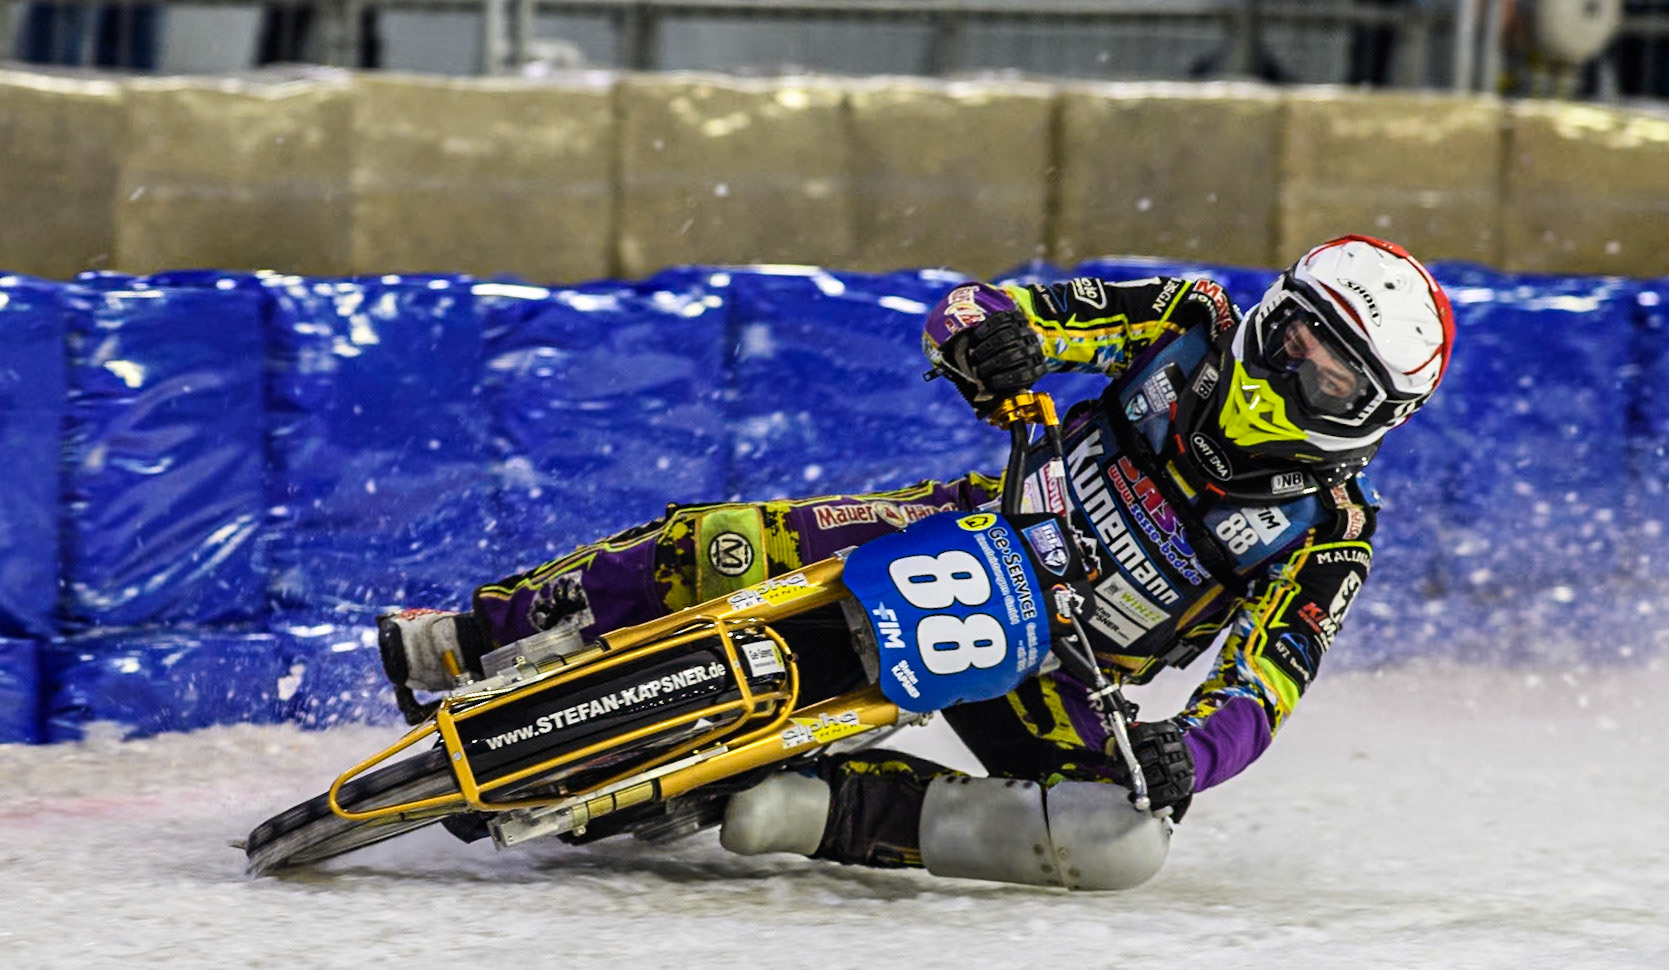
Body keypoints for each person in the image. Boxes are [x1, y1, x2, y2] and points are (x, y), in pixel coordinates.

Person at [378, 234, 1455, 888]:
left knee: (1123, 844)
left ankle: (825, 809)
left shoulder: (1332, 527)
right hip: (968, 527)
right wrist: (990, 344)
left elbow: (1265, 689)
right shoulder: (1189, 317)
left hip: (1065, 667)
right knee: (725, 542)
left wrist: (1187, 753)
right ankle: (475, 633)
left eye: (1331, 378)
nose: (1293, 372)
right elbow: (984, 305)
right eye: (1297, 336)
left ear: (1373, 419)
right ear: (1273, 309)